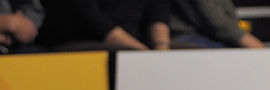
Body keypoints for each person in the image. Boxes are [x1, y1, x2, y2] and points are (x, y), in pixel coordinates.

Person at [37, 0, 171, 51]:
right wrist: (142, 52)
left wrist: (161, 46)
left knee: (187, 54)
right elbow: (89, 18)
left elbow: (158, 12)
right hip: (85, 40)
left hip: (137, 44)